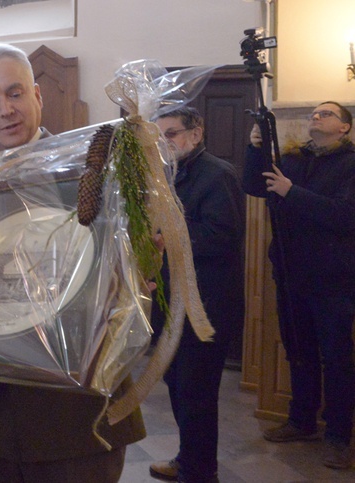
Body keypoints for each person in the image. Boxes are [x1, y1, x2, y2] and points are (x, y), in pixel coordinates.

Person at [0, 42, 146, 483]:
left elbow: (138, 272)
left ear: (38, 96)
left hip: (78, 420)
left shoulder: (98, 170)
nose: (6, 109)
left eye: (15, 93)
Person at [243, 101, 355, 470]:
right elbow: (255, 187)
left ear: (344, 128)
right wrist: (255, 149)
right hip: (291, 273)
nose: (316, 117)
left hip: (333, 278)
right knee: (298, 350)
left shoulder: (350, 164)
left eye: (327, 114)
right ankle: (301, 420)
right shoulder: (292, 159)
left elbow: (344, 216)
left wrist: (293, 192)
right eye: (314, 113)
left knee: (336, 359)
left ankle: (338, 437)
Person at [148, 107, 245, 483]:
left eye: (171, 134)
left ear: (196, 133)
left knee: (197, 394)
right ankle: (188, 457)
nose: (164, 143)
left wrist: (168, 238)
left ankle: (200, 473)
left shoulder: (217, 174)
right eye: (159, 138)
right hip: (172, 301)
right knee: (178, 387)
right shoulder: (166, 176)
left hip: (207, 305)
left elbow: (224, 237)